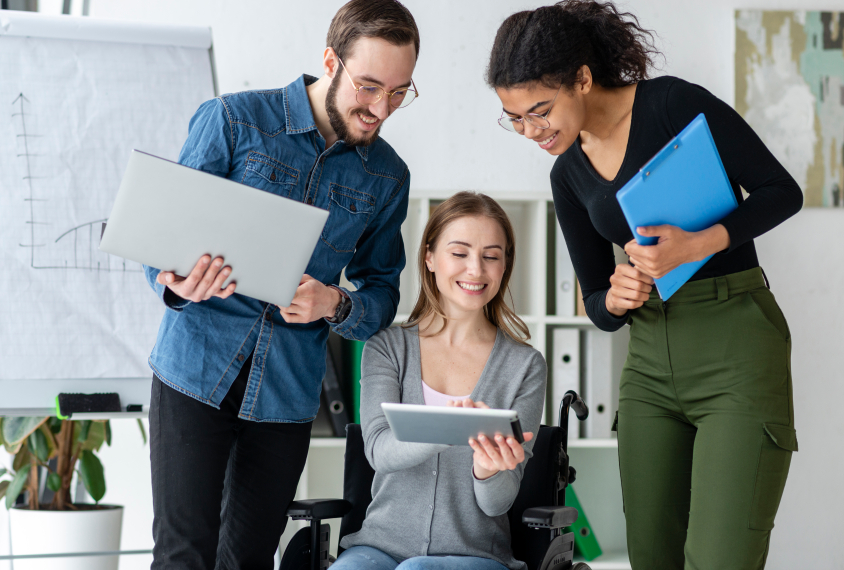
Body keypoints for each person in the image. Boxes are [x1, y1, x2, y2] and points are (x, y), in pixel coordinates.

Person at [486, 2, 802, 569]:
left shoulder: (672, 104)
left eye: (540, 110)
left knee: (721, 557)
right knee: (651, 556)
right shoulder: (566, 174)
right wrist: (615, 297)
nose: (531, 131)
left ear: (582, 79)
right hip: (650, 362)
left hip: (735, 342)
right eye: (514, 118)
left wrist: (700, 243)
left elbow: (782, 191)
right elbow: (596, 305)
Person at [142, 1, 420, 568]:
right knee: (181, 555)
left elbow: (382, 293)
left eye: (398, 92)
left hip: (286, 394)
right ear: (329, 61)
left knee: (248, 560)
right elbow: (160, 244)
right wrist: (177, 282)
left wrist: (335, 303)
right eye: (369, 86)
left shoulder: (388, 176)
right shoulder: (232, 120)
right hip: (193, 370)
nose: (380, 109)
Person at [330, 192, 547, 570]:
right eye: (459, 253)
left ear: (504, 266)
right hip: (377, 547)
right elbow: (379, 450)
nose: (476, 270)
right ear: (429, 256)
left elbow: (498, 503)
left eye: (491, 256)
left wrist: (488, 469)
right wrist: (449, 427)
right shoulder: (387, 348)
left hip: (477, 555)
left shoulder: (524, 365)